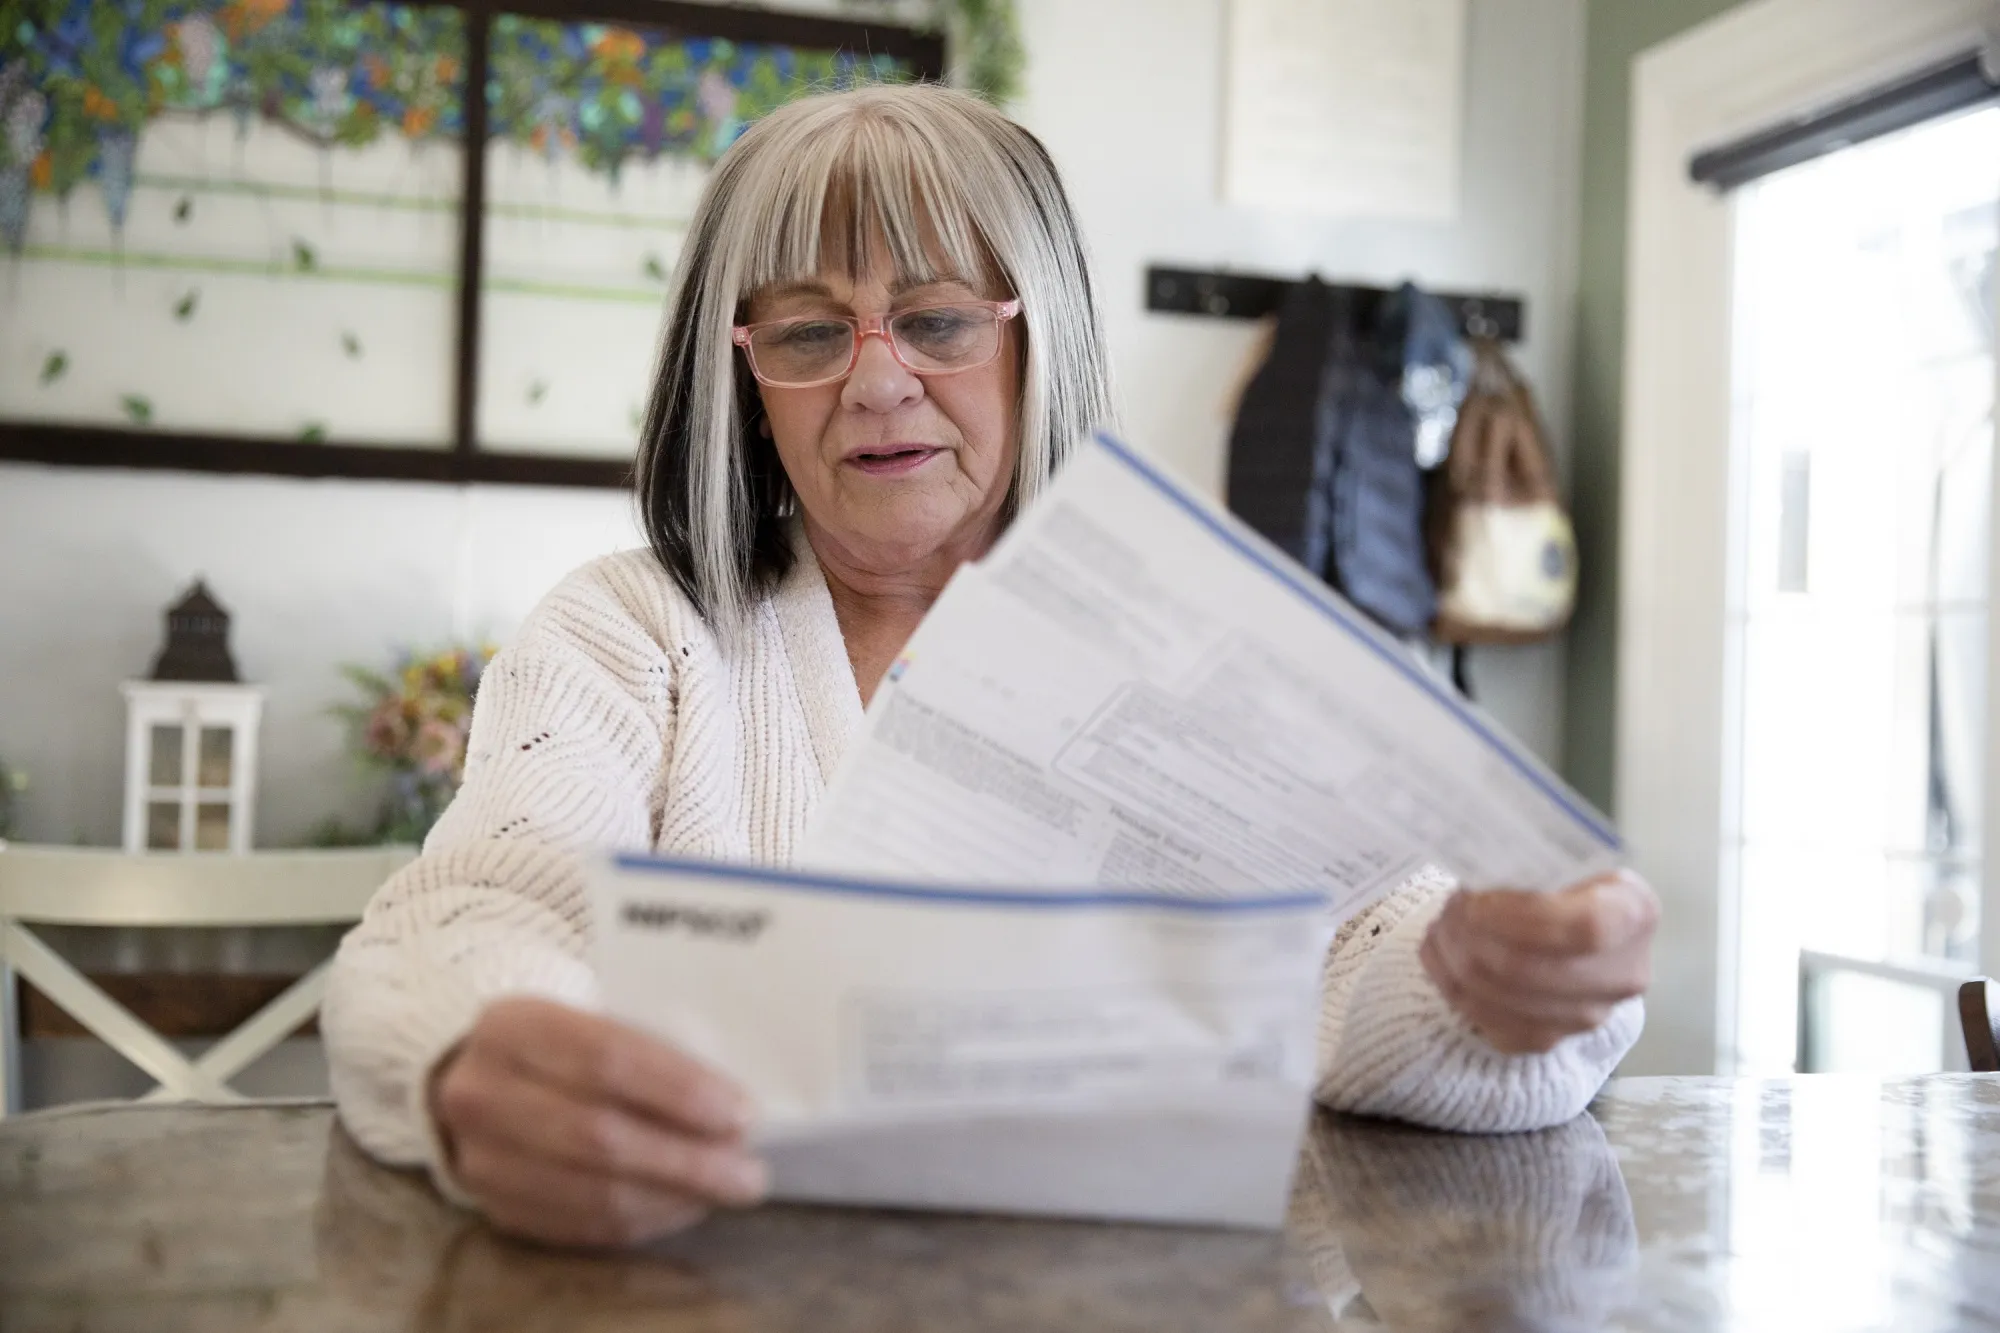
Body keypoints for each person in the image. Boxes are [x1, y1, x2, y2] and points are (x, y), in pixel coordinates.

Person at [321, 83, 1658, 1250]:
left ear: (1038, 338)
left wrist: (1499, 986)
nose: (878, 381)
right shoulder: (631, 634)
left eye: (940, 321)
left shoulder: (1200, 641)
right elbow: (477, 915)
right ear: (743, 384)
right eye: (805, 334)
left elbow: (1376, 953)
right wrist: (471, 1063)